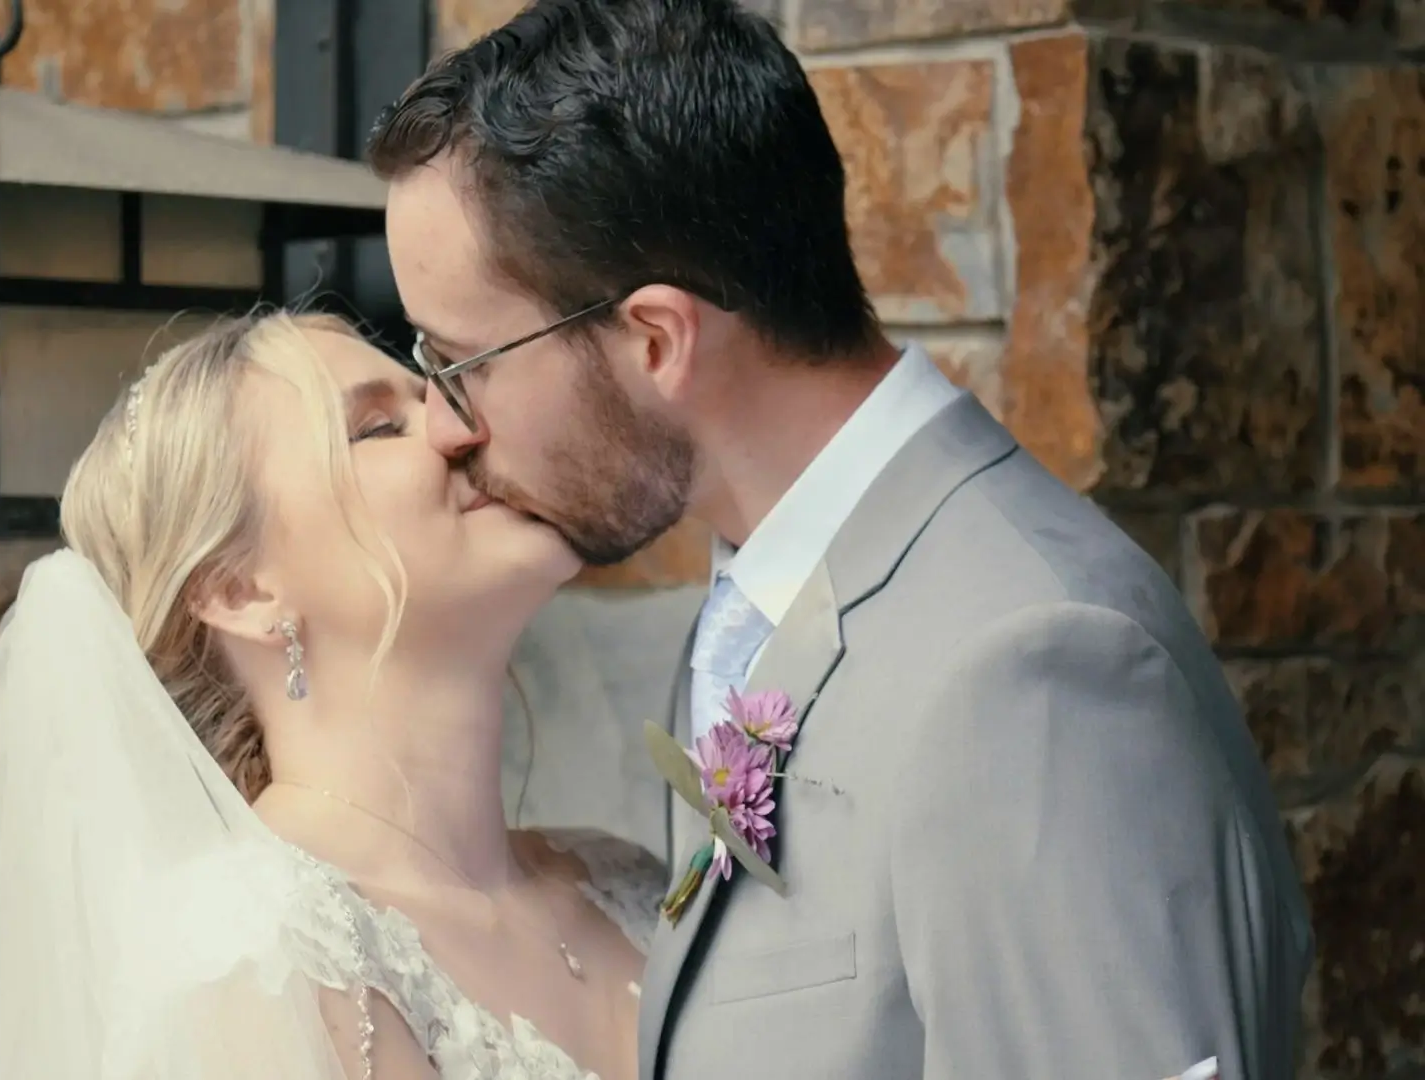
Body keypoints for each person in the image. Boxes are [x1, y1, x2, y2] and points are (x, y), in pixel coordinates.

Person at [367, 1, 1313, 1078]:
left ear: (657, 339)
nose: (444, 424)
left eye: (461, 360)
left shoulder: (1031, 670)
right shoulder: (769, 605)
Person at [0, 310, 667, 1080]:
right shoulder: (255, 969)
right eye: (377, 427)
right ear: (238, 588)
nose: (461, 428)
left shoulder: (625, 881)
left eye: (439, 391)